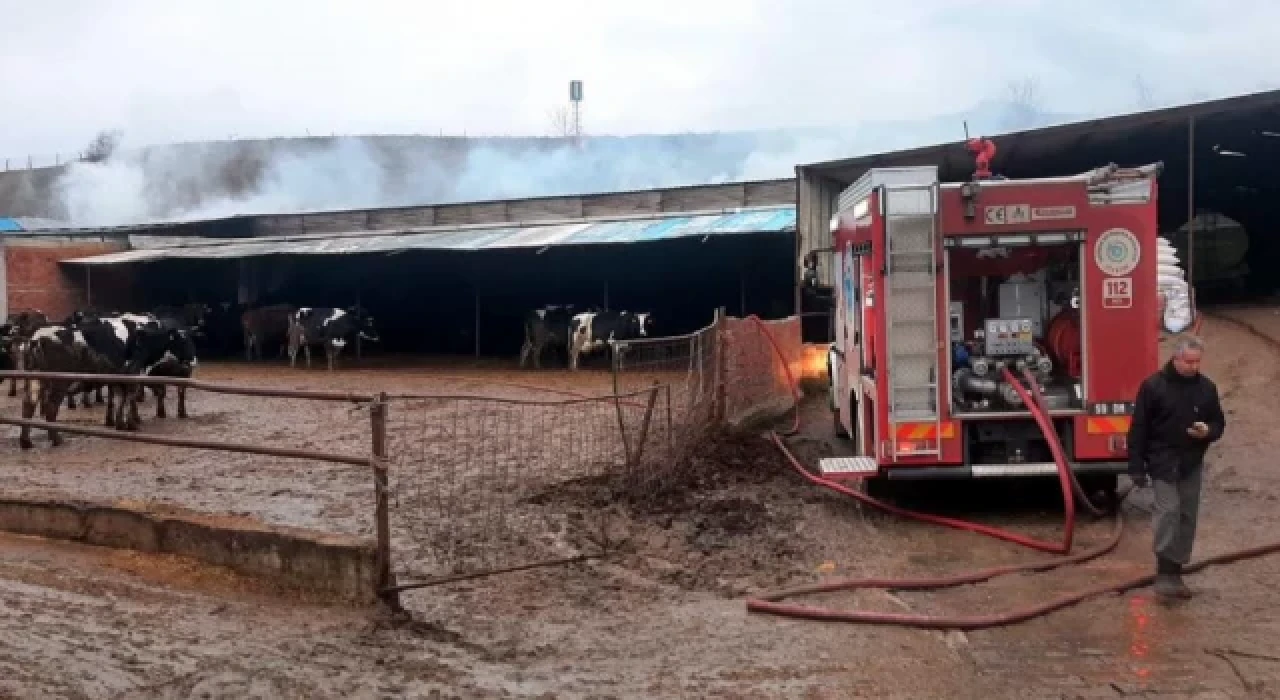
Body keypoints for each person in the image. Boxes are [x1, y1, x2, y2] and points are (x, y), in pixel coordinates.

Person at [1127, 335, 1226, 600]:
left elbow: (1218, 423)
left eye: (1197, 362)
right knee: (1168, 511)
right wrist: (1136, 466)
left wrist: (1208, 431)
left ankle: (1177, 568)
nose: (1194, 367)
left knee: (1187, 516)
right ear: (1176, 358)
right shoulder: (1153, 387)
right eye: (1189, 362)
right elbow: (1139, 428)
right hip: (1162, 460)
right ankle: (1165, 572)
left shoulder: (1206, 388)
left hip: (1191, 461)